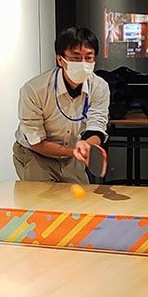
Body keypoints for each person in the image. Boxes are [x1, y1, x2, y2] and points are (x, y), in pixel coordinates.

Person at [13, 26, 110, 183]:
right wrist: (73, 151)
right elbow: (35, 141)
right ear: (60, 59)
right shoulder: (35, 90)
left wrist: (86, 146)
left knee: (81, 196)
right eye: (76, 58)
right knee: (42, 196)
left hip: (72, 156)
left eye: (89, 57)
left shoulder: (99, 87)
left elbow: (97, 125)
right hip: (35, 154)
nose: (83, 63)